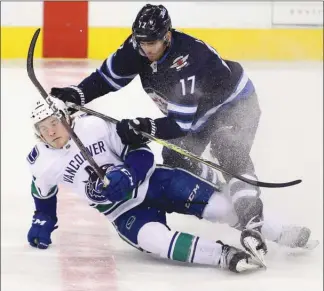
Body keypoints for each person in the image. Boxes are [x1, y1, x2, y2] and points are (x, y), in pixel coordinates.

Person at [49, 4, 313, 251]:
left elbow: (179, 125)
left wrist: (145, 126)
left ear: (167, 36)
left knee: (227, 148)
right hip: (197, 117)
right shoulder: (137, 47)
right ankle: (224, 190)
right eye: (141, 43)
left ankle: (253, 218)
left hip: (233, 104)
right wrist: (78, 94)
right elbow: (106, 79)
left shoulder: (187, 61)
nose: (146, 49)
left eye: (152, 43)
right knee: (175, 157)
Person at [27, 97, 266, 273]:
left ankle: (276, 232)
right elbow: (42, 193)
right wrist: (43, 218)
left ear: (66, 117)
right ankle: (224, 256)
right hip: (123, 211)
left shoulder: (93, 127)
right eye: (43, 129)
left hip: (154, 181)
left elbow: (140, 150)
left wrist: (130, 174)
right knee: (156, 241)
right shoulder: (42, 163)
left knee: (222, 209)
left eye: (53, 123)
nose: (50, 132)